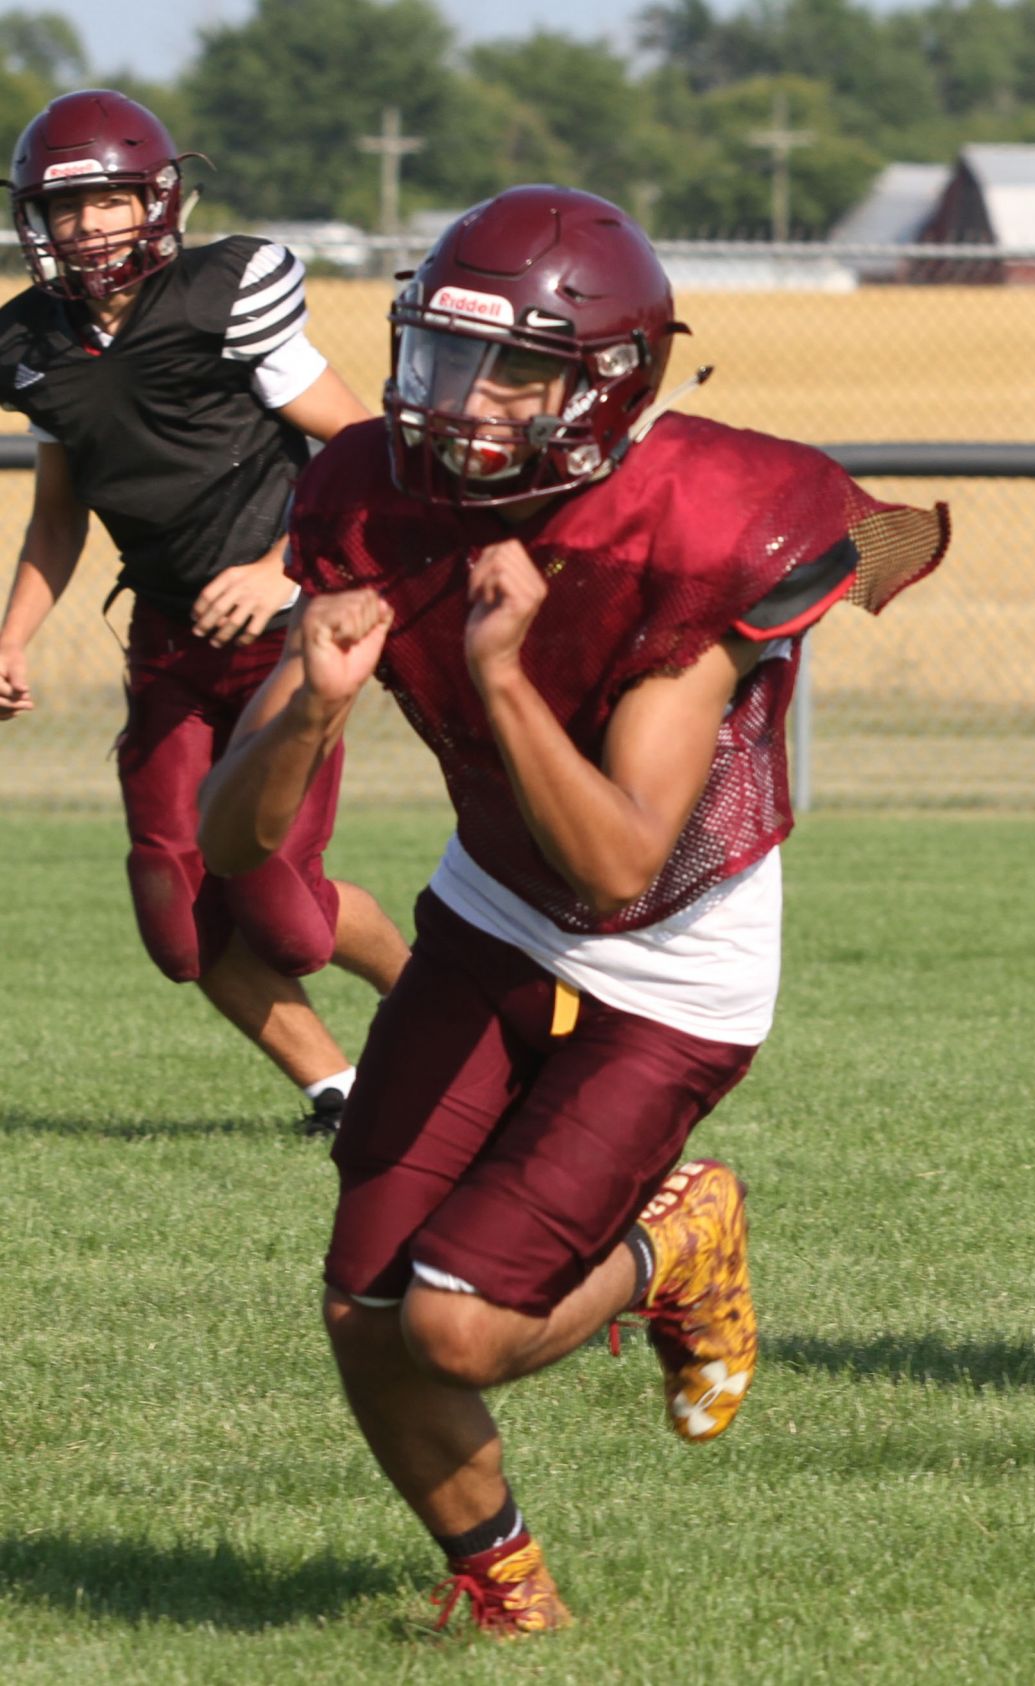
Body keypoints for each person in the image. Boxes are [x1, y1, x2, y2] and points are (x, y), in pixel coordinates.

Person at [198, 183, 948, 1634]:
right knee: (365, 1307)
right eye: (443, 358)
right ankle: (508, 1598)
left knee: (455, 1323)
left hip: (671, 956)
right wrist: (312, 709)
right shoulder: (369, 490)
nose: (463, 403)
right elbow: (239, 839)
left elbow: (618, 865)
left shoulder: (705, 522)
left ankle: (684, 1234)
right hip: (492, 908)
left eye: (516, 371)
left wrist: (491, 675)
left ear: (610, 387)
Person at [0, 88, 408, 1131]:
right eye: (66, 208)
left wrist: (284, 565)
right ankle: (339, 1092)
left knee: (284, 917)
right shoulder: (35, 342)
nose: (88, 227)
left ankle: (424, 1005)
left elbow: (361, 451)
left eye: (110, 201)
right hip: (170, 646)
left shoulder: (226, 293)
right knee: (174, 914)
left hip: (289, 641)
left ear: (159, 200)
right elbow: (59, 516)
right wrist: (10, 637)